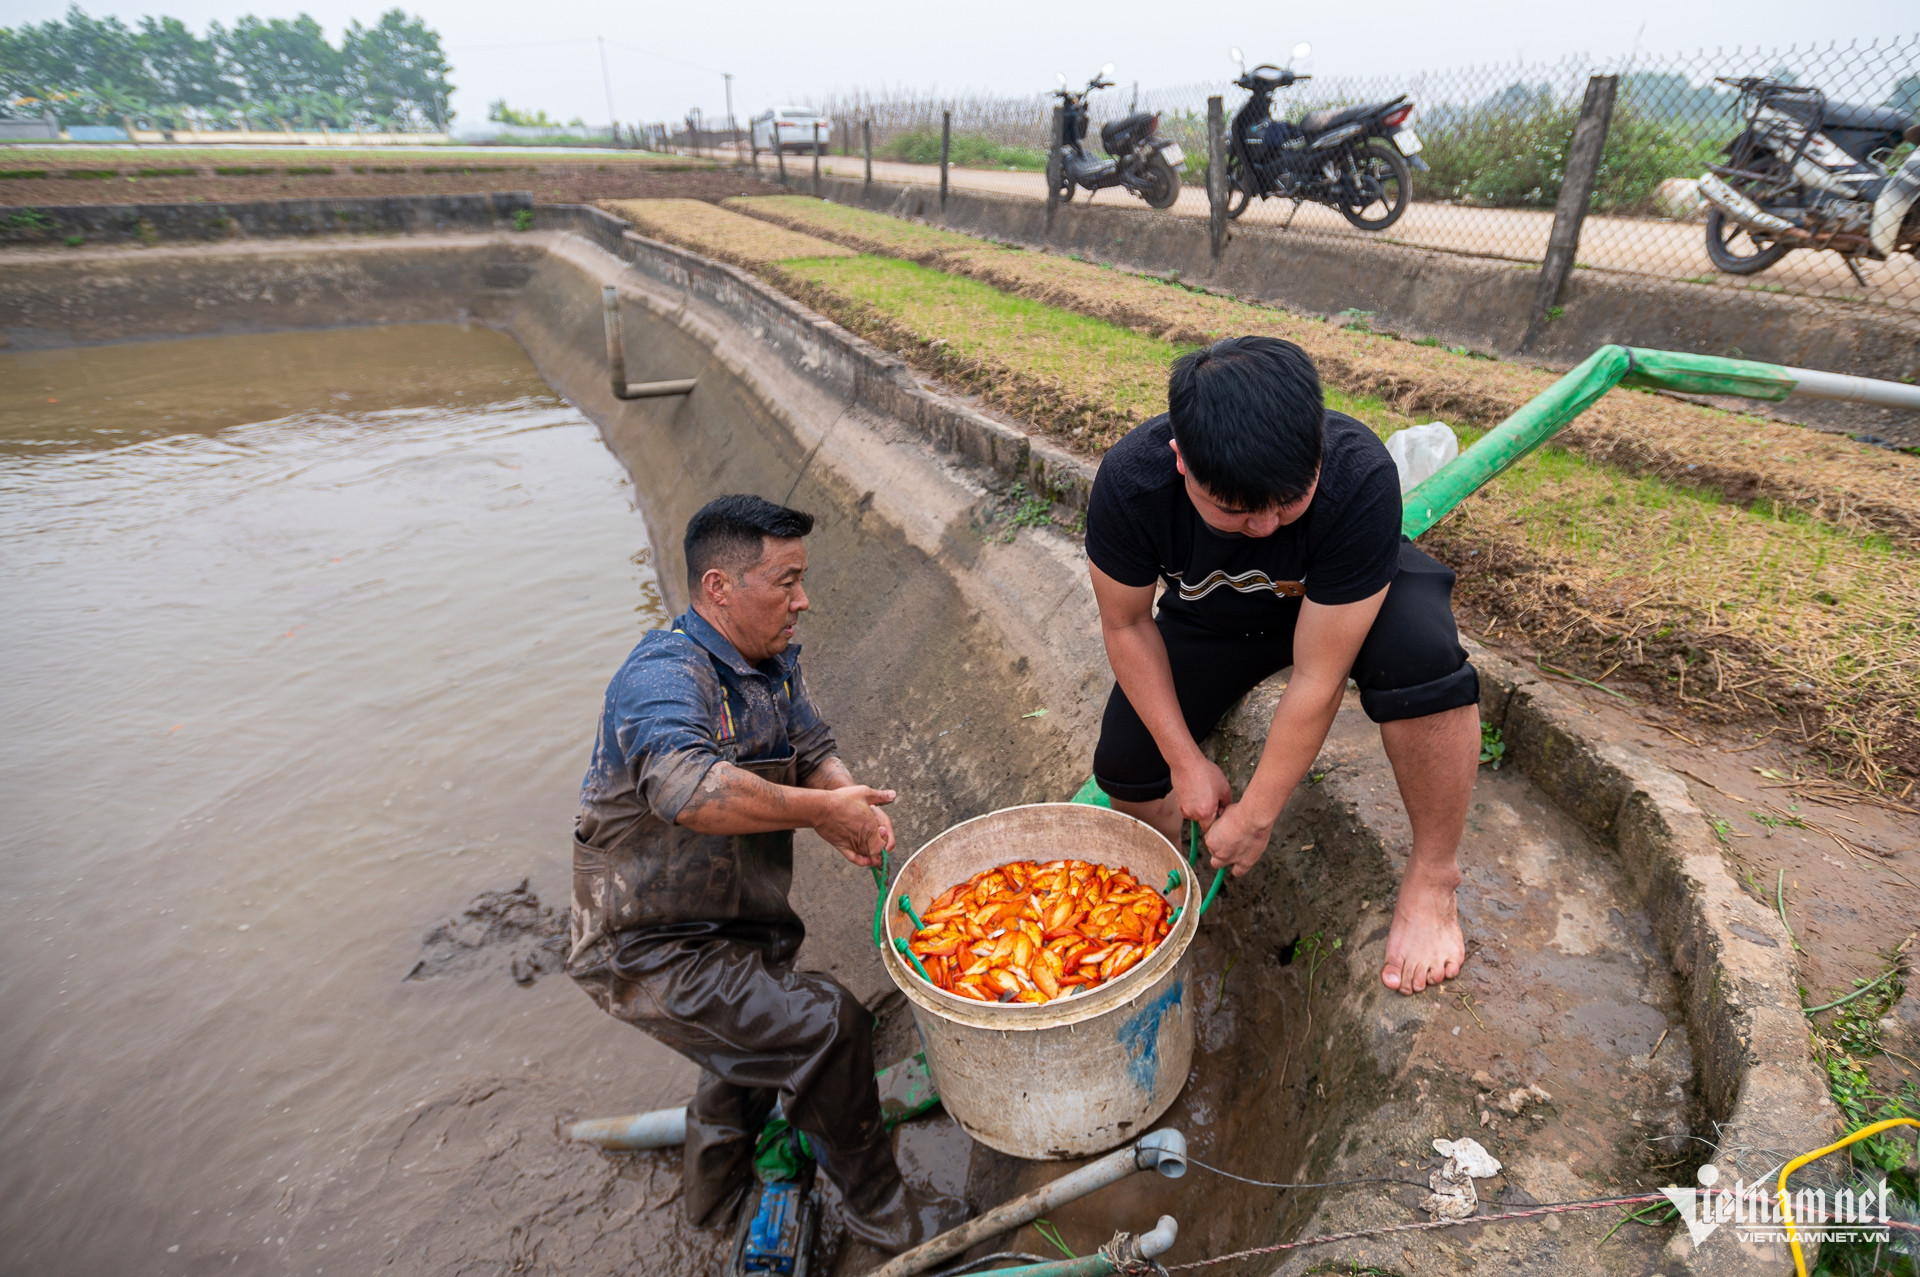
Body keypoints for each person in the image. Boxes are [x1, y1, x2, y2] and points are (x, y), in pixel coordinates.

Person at [565, 494, 970, 1251]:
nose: (803, 600)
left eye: (801, 579)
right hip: (649, 947)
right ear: (719, 587)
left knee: (746, 1055)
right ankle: (884, 1215)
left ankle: (710, 1207)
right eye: (786, 582)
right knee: (829, 1025)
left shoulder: (773, 662)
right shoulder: (662, 674)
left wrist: (845, 799)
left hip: (742, 920)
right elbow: (688, 788)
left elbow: (811, 746)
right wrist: (820, 814)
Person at [1085, 336, 1480, 996]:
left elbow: (1318, 675)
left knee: (1423, 653)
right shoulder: (1133, 483)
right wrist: (1185, 761)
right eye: (1235, 511)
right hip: (1215, 614)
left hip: (1341, 605)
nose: (1266, 526)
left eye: (1288, 503)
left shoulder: (1358, 476)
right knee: (1127, 765)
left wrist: (1257, 813)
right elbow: (1126, 624)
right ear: (1181, 461)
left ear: (1317, 453)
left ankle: (1435, 877)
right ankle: (1165, 898)